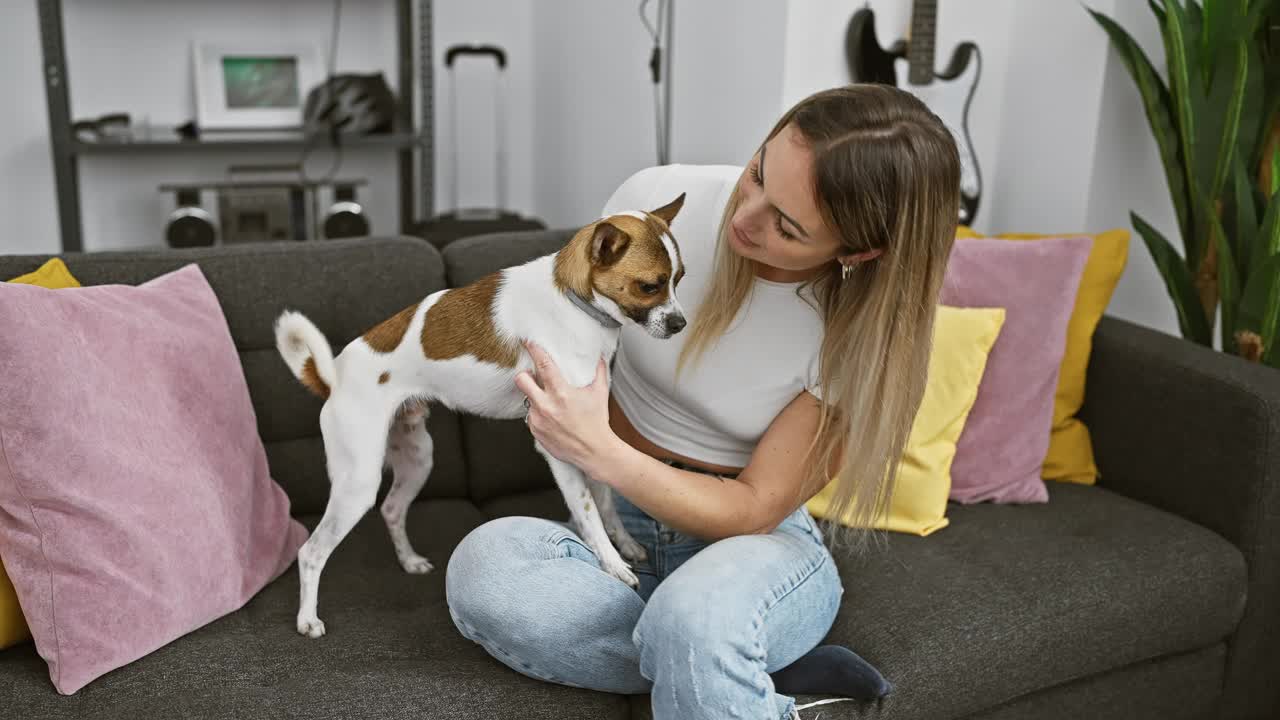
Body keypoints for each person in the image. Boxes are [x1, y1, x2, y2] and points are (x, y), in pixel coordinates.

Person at [445, 83, 960, 720]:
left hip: (750, 549)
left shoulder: (863, 334)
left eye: (788, 226)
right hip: (618, 530)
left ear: (858, 251)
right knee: (485, 569)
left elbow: (752, 509)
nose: (746, 216)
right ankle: (734, 666)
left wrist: (600, 451)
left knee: (694, 615)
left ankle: (709, 644)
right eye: (757, 174)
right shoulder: (653, 208)